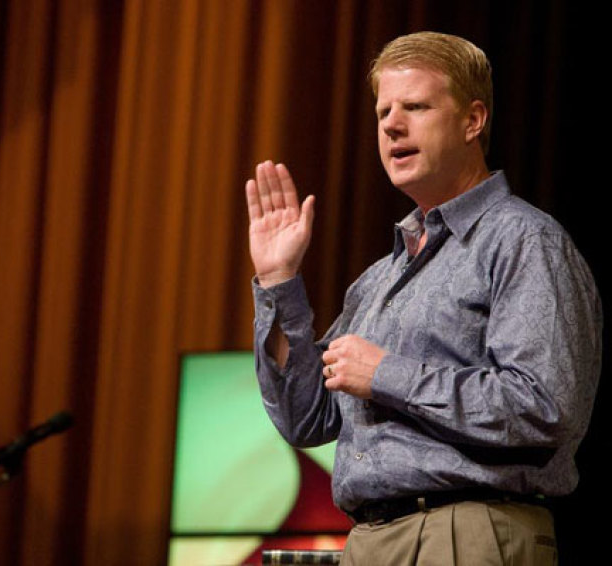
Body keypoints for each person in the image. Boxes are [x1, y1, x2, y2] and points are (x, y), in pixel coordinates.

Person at [245, 31, 601, 565]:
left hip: (469, 530)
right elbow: (305, 418)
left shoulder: (524, 240)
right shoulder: (378, 280)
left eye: (415, 106)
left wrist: (387, 373)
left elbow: (544, 408)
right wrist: (278, 283)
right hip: (368, 540)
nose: (391, 124)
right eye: (384, 110)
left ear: (472, 120)